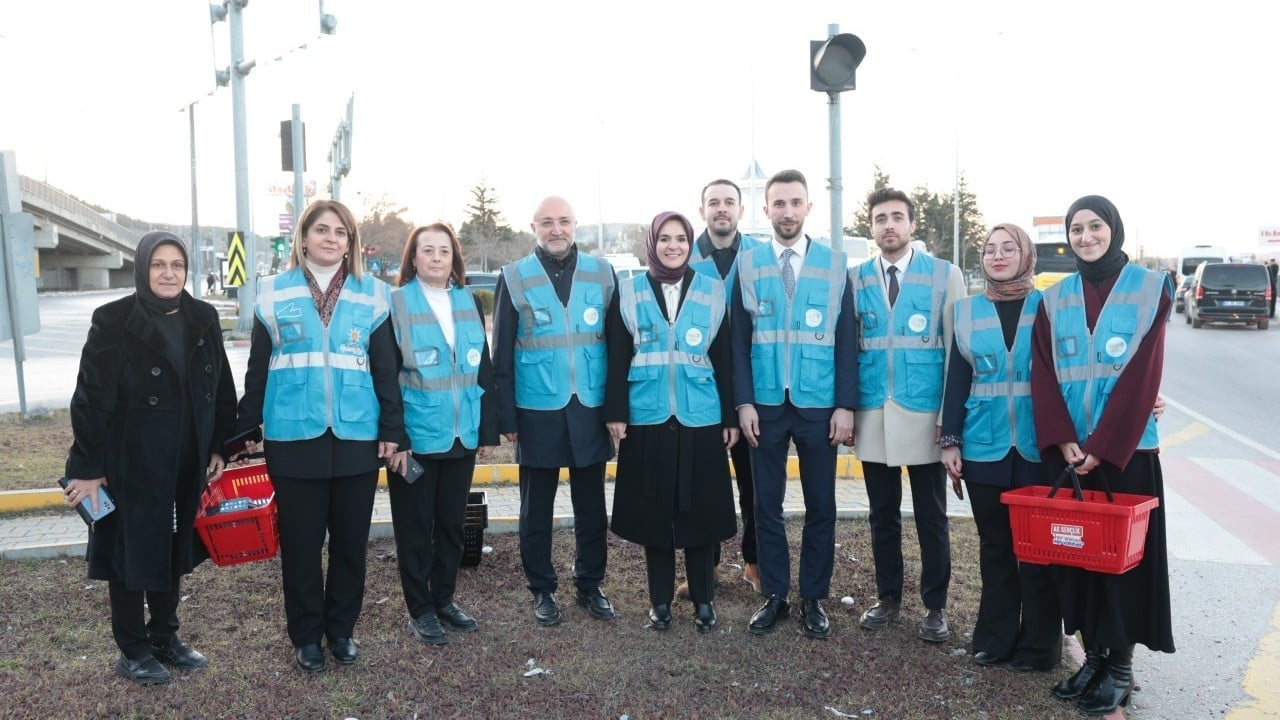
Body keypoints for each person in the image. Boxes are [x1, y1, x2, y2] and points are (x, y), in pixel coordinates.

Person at [233, 199, 403, 673]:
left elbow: (385, 368)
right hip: (292, 434)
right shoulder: (270, 292)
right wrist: (247, 425)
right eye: (322, 230)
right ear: (302, 237)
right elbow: (258, 368)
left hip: (356, 434)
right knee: (302, 546)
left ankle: (342, 631)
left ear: (351, 243)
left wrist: (393, 428)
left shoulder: (373, 295)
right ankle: (306, 637)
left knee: (351, 544)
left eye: (341, 233)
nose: (331, 239)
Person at [65, 231, 237, 685]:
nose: (168, 272)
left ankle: (164, 636)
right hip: (130, 463)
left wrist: (220, 444)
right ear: (143, 269)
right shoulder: (114, 319)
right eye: (158, 264)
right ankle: (133, 649)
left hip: (186, 461)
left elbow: (221, 386)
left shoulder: (202, 317)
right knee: (128, 554)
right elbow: (90, 399)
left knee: (171, 549)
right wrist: (87, 469)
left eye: (177, 264)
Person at [1031, 195, 1175, 715]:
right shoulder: (1054, 298)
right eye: (1076, 228)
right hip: (1070, 456)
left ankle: (1121, 668)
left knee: (1123, 565)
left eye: (1095, 226)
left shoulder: (1152, 288)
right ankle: (1092, 658)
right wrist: (1063, 438)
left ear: (1114, 228)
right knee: (1077, 559)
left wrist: (1103, 446)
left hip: (1127, 453)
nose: (1086, 236)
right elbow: (1043, 374)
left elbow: (1144, 374)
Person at [731, 169, 857, 639]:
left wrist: (845, 405)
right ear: (765, 209)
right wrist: (743, 401)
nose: (787, 212)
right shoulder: (748, 264)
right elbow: (738, 342)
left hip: (819, 405)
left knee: (822, 503)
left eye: (795, 203)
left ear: (808, 207)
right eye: (778, 203)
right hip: (764, 405)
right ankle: (776, 594)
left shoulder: (835, 264)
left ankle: (814, 597)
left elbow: (848, 340)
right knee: (767, 505)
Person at [605, 211, 738, 632]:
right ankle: (659, 602)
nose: (674, 246)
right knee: (654, 512)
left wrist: (730, 415)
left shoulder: (712, 291)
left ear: (689, 243)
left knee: (701, 512)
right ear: (652, 243)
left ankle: (704, 601)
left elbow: (725, 358)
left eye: (681, 238)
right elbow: (617, 356)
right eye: (665, 239)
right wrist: (616, 413)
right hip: (647, 416)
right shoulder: (628, 291)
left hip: (701, 415)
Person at [939, 223, 1062, 670]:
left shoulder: (1048, 307)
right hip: (983, 447)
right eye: (990, 249)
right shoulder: (967, 310)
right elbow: (957, 378)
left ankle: (1040, 647)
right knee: (995, 547)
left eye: (1008, 248)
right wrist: (950, 441)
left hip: (1037, 449)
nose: (997, 255)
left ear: (1026, 255)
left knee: (1038, 551)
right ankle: (995, 638)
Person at [492, 196, 618, 626]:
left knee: (592, 507)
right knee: (536, 510)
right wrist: (506, 418)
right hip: (536, 411)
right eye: (547, 222)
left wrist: (617, 409)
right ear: (533, 227)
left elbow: (617, 347)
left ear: (575, 224)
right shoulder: (514, 277)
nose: (556, 229)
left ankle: (590, 583)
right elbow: (502, 352)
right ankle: (542, 589)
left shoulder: (603, 274)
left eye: (563, 221)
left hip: (590, 408)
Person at [851, 186, 965, 643]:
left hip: (924, 413)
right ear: (872, 227)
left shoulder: (943, 274)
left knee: (930, 515)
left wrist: (948, 417)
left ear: (912, 225)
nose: (889, 226)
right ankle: (888, 597)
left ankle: (935, 606)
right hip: (874, 410)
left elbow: (957, 350)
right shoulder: (856, 278)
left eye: (897, 217)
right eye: (881, 219)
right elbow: (850, 347)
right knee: (882, 513)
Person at [386, 223, 499, 645]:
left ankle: (444, 598)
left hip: (460, 436)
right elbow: (387, 377)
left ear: (455, 259)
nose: (436, 258)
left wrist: (486, 430)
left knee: (452, 525)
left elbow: (482, 369)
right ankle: (420, 609)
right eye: (427, 250)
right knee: (415, 527)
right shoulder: (396, 304)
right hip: (415, 439)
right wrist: (395, 438)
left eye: (444, 251)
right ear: (412, 258)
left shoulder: (469, 301)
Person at [683, 178, 763, 595]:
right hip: (701, 390)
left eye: (729, 202)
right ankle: (705, 568)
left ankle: (754, 563)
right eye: (713, 202)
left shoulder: (760, 258)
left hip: (751, 388)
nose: (721, 209)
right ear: (702, 211)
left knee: (754, 486)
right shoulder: (683, 257)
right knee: (702, 486)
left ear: (741, 210)